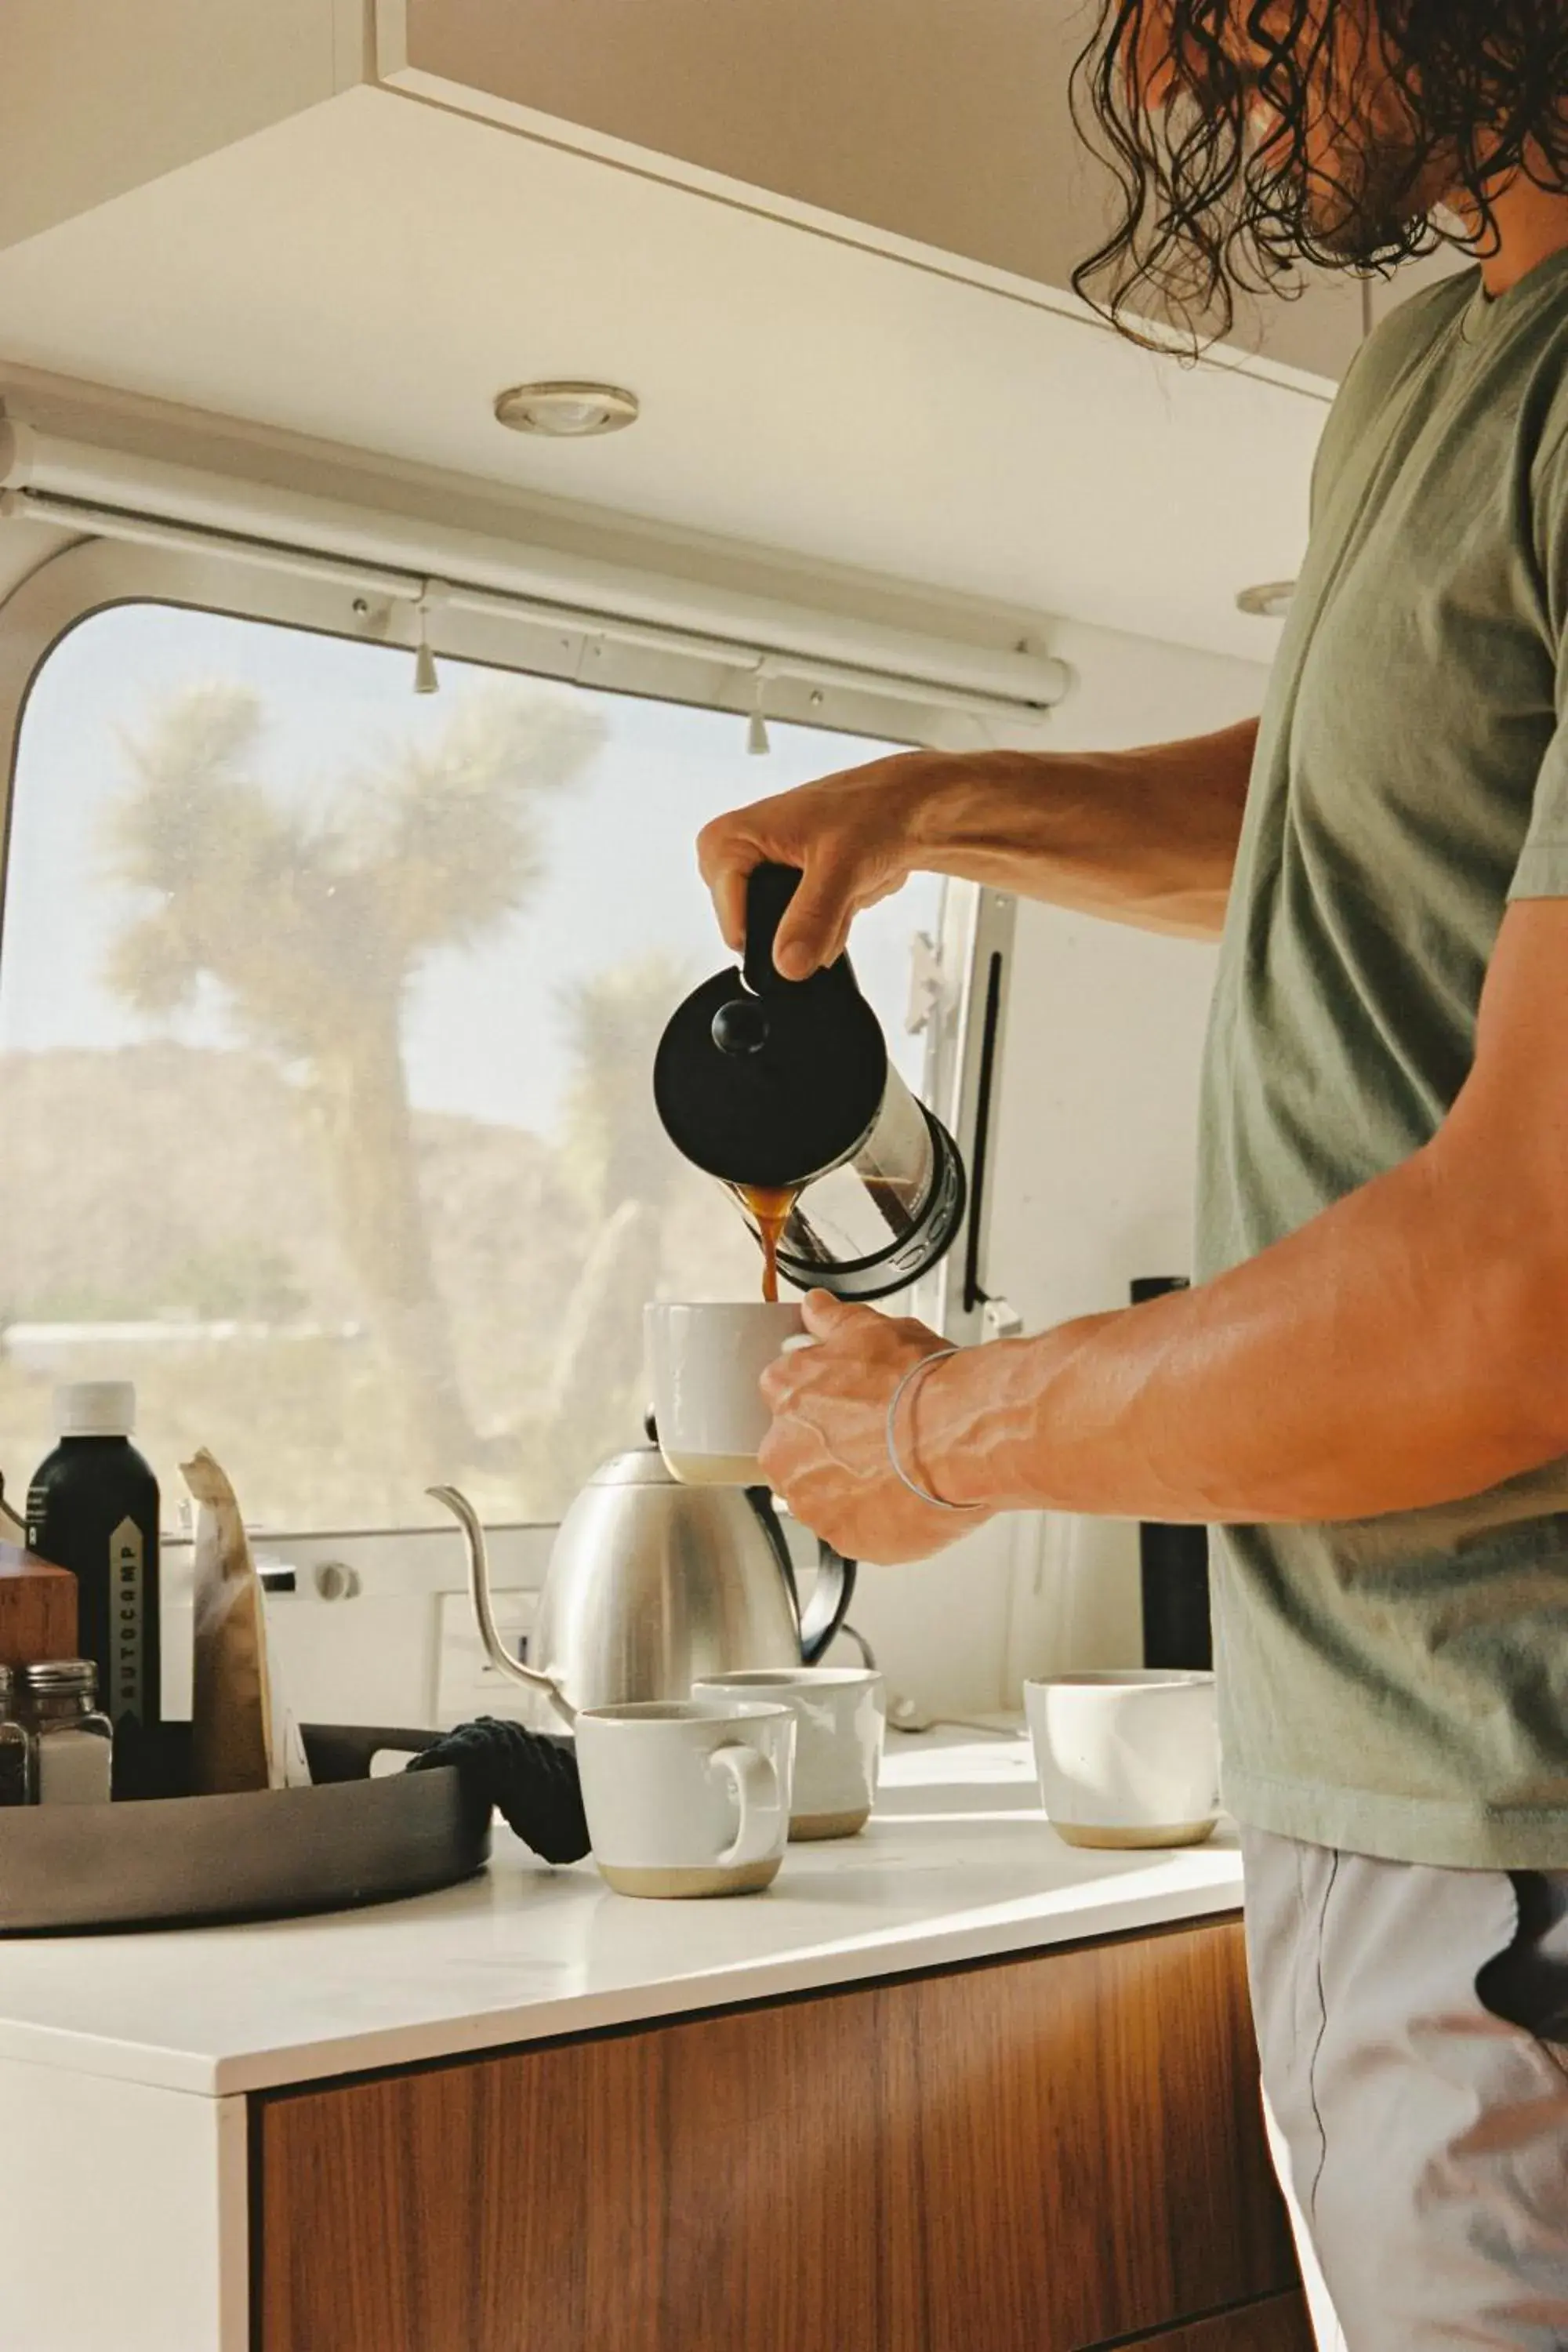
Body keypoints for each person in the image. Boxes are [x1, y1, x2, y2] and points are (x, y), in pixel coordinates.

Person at [697, 5, 1568, 2345]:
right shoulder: (1432, 375)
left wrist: (935, 1428)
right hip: (1387, 1788)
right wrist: (948, 805)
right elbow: (1379, 811)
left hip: (1521, 1811)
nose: (1174, 75)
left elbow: (1515, 1294)